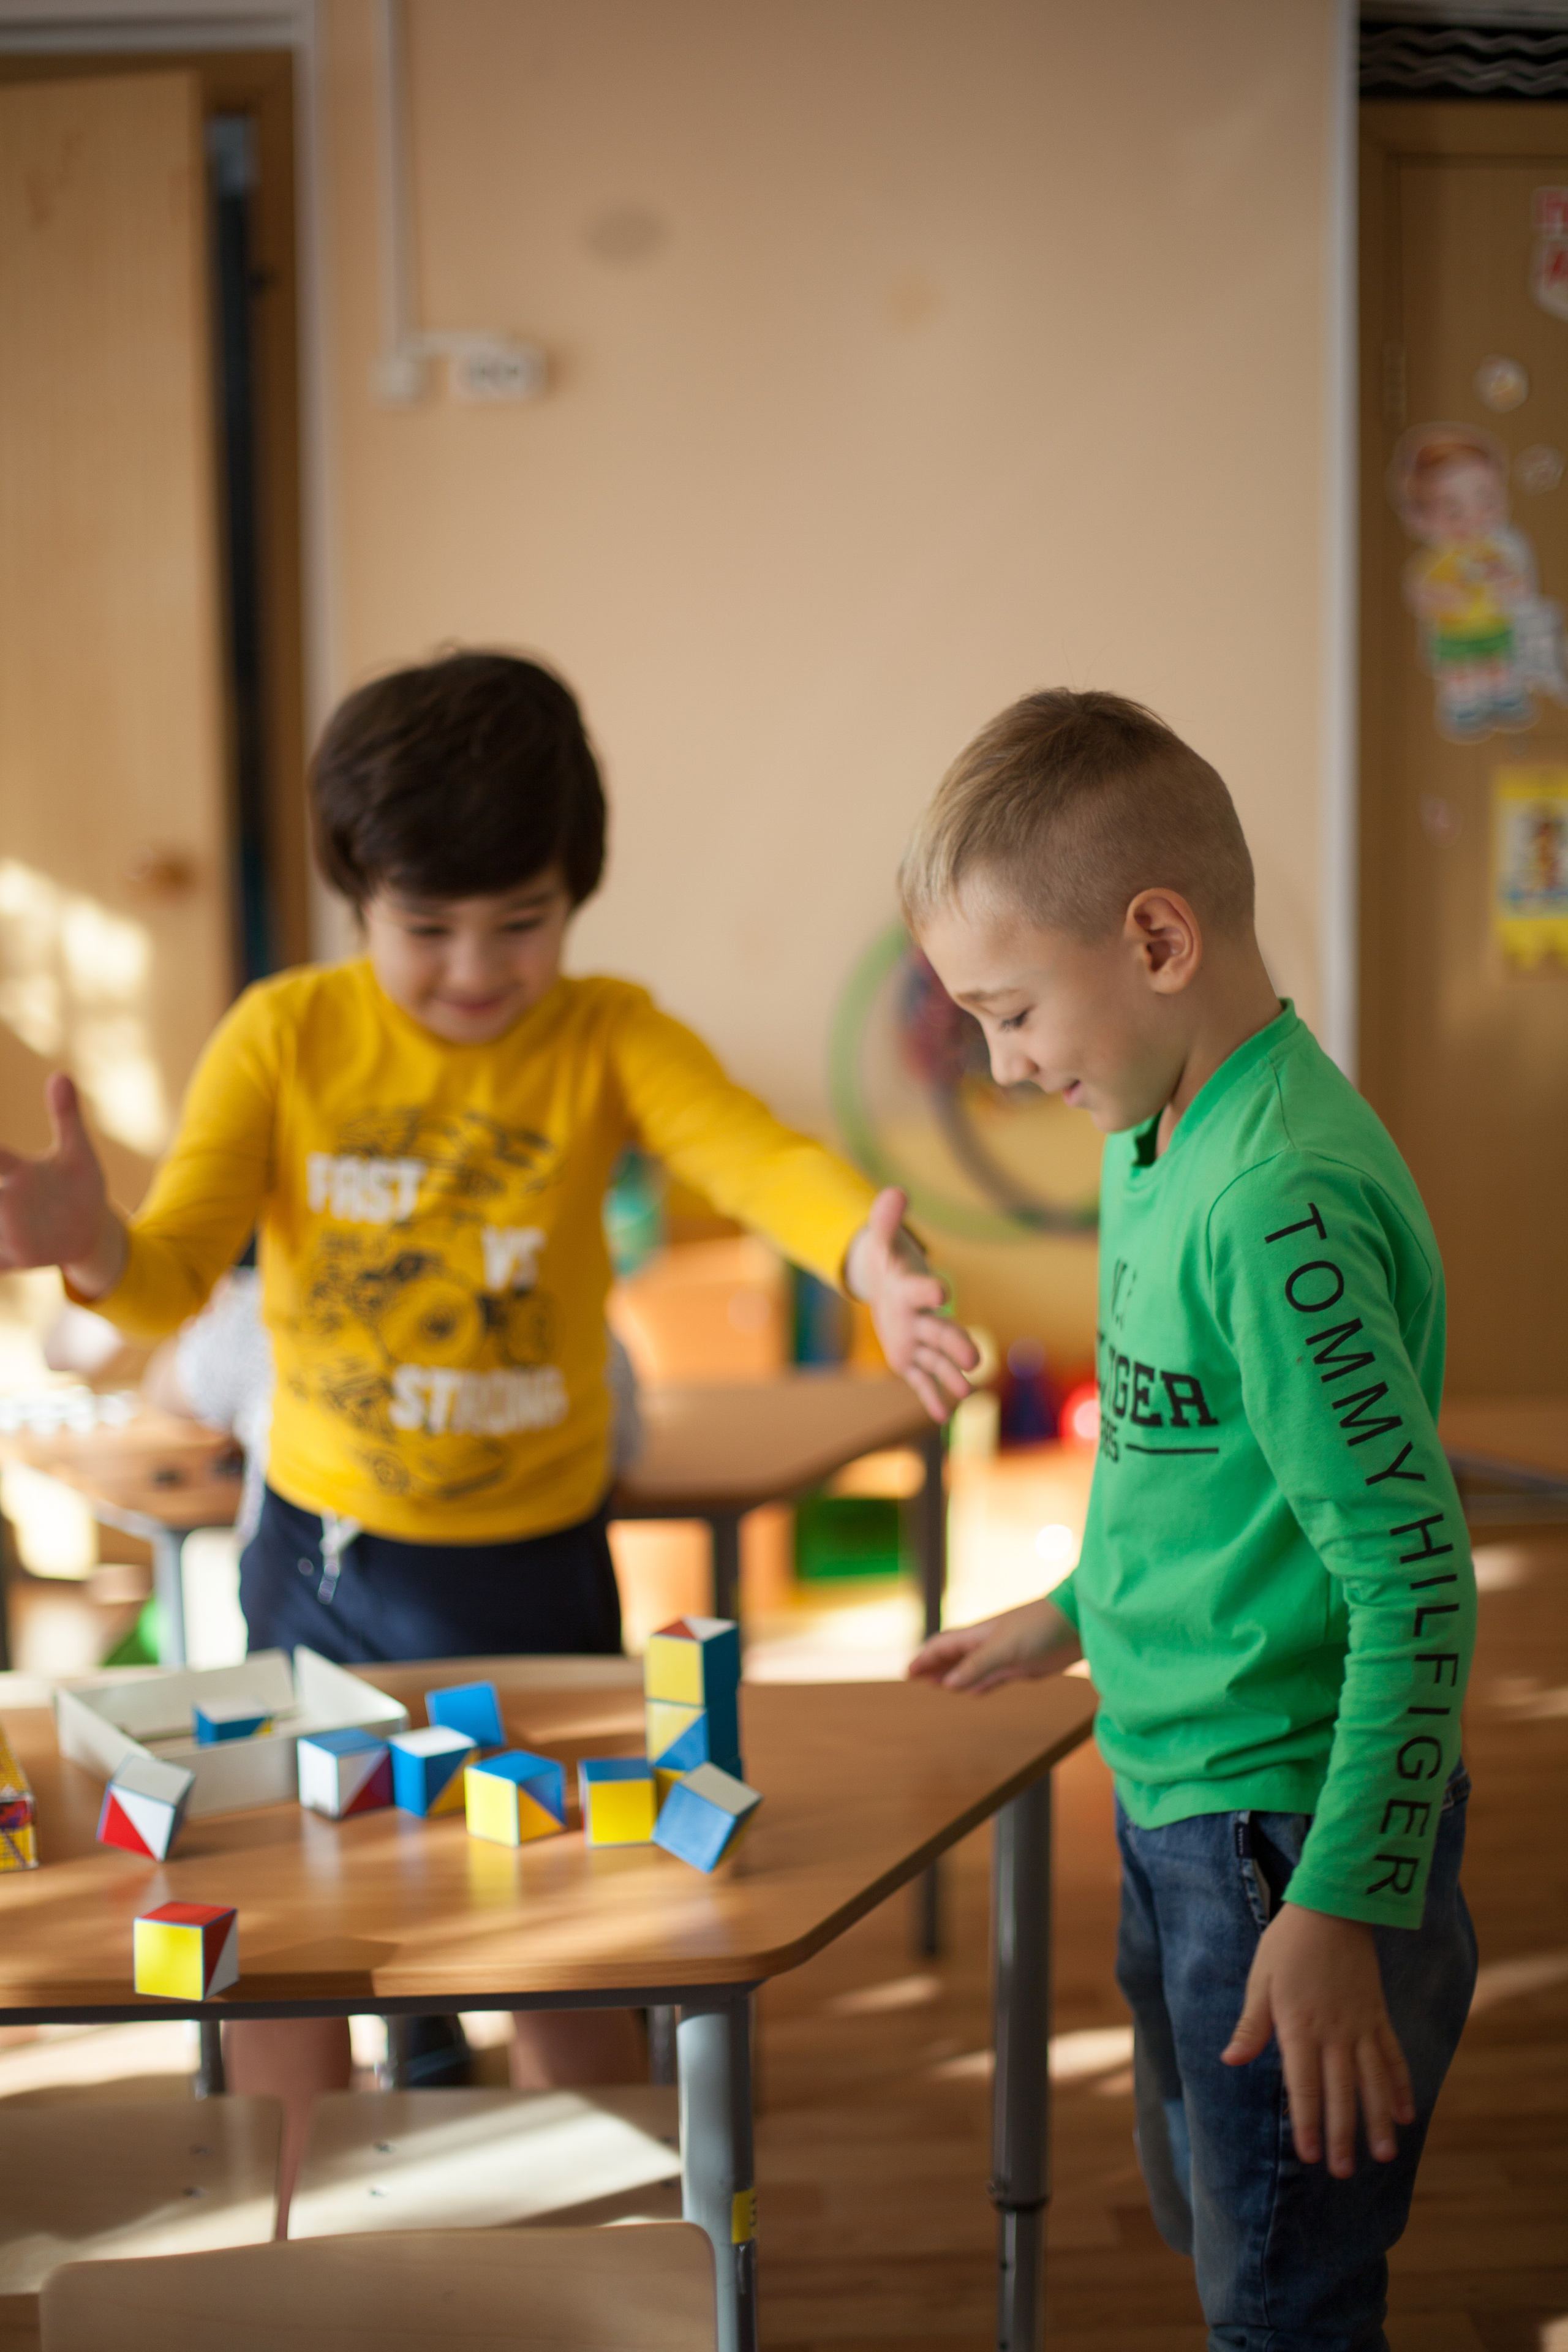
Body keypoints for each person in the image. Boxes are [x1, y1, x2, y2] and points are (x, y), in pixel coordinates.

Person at [0, 647, 977, 2199]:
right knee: (293, 1952)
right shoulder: (284, 1036)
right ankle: (300, 2236)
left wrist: (866, 1257)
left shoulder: (602, 1033)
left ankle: (589, 2230)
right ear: (355, 899)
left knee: (566, 1946)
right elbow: (174, 1271)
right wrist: (92, 1243)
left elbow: (751, 1154)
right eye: (425, 928)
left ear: (573, 896)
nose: (473, 968)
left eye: (517, 922)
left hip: (538, 1571)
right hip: (325, 1572)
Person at [902, 689, 1476, 2351]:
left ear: (1155, 938)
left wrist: (1342, 1904)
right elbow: (1187, 1463)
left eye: (1013, 1014)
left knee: (1287, 2297)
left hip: (1286, 1835)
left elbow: (1418, 1584)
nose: (1007, 1066)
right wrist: (1075, 1610)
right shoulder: (1157, 1124)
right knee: (1223, 2221)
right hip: (1179, 1803)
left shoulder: (1273, 1198)